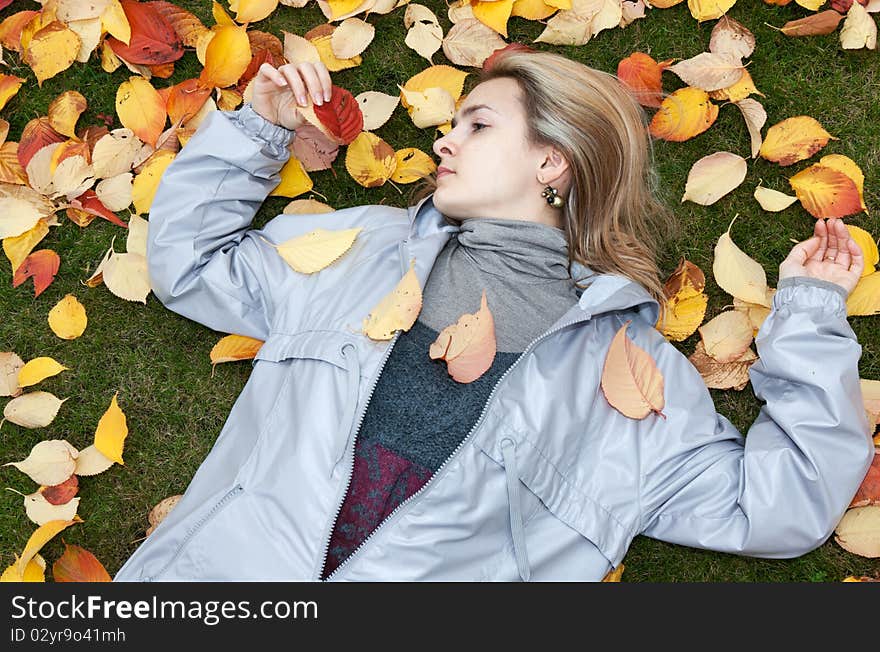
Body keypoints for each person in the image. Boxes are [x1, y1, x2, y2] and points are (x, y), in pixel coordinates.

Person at [113, 50, 873, 582]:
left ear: (554, 162)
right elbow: (192, 266)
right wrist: (258, 127)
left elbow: (781, 506)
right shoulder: (359, 250)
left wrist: (807, 317)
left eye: (478, 125)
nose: (444, 137)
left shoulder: (631, 382)